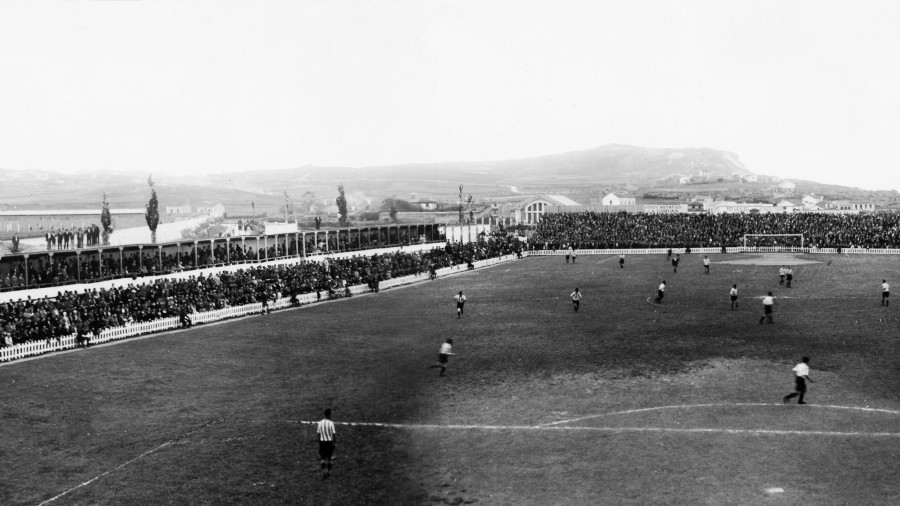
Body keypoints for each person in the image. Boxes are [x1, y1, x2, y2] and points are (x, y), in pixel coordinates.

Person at [316, 408, 336, 481]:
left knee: (323, 458)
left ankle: (324, 472)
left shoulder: (320, 423)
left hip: (322, 442)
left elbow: (318, 433)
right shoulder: (331, 423)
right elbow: (333, 434)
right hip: (330, 442)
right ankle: (329, 472)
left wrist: (319, 442)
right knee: (329, 458)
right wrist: (334, 442)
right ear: (329, 415)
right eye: (331, 414)